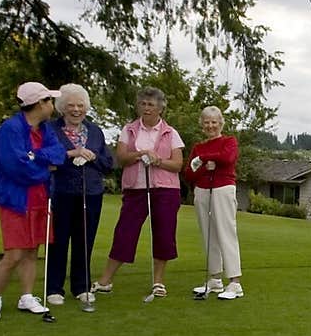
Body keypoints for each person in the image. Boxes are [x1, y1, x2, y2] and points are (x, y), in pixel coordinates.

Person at [0, 81, 67, 320]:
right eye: (49, 100)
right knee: (14, 254)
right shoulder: (11, 129)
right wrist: (44, 168)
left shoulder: (45, 129)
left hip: (40, 197)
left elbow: (57, 154)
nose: (52, 104)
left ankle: (27, 296)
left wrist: (35, 156)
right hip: (15, 198)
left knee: (32, 251)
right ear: (39, 104)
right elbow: (16, 167)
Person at [92, 87, 184, 299]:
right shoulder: (130, 129)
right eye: (143, 104)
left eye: (151, 104)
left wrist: (158, 160)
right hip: (136, 189)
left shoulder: (171, 132)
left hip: (165, 190)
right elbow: (121, 158)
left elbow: (177, 164)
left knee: (164, 234)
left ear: (160, 108)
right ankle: (106, 280)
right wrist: (140, 154)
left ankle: (158, 282)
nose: (146, 108)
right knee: (125, 232)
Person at [46, 84, 114, 305]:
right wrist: (70, 154)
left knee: (85, 240)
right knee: (59, 241)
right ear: (62, 108)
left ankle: (81, 287)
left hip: (91, 192)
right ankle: (54, 288)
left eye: (81, 105)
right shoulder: (50, 129)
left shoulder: (95, 131)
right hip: (62, 192)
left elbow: (108, 164)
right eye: (71, 105)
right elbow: (47, 158)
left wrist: (93, 157)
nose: (76, 110)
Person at [182, 105, 244, 299]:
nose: (210, 126)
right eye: (207, 122)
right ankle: (215, 279)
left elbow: (228, 158)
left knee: (226, 232)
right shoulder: (198, 147)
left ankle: (235, 282)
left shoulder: (229, 141)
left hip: (223, 188)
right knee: (208, 234)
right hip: (202, 190)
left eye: (214, 122)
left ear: (220, 123)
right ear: (202, 125)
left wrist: (206, 159)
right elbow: (189, 173)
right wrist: (205, 164)